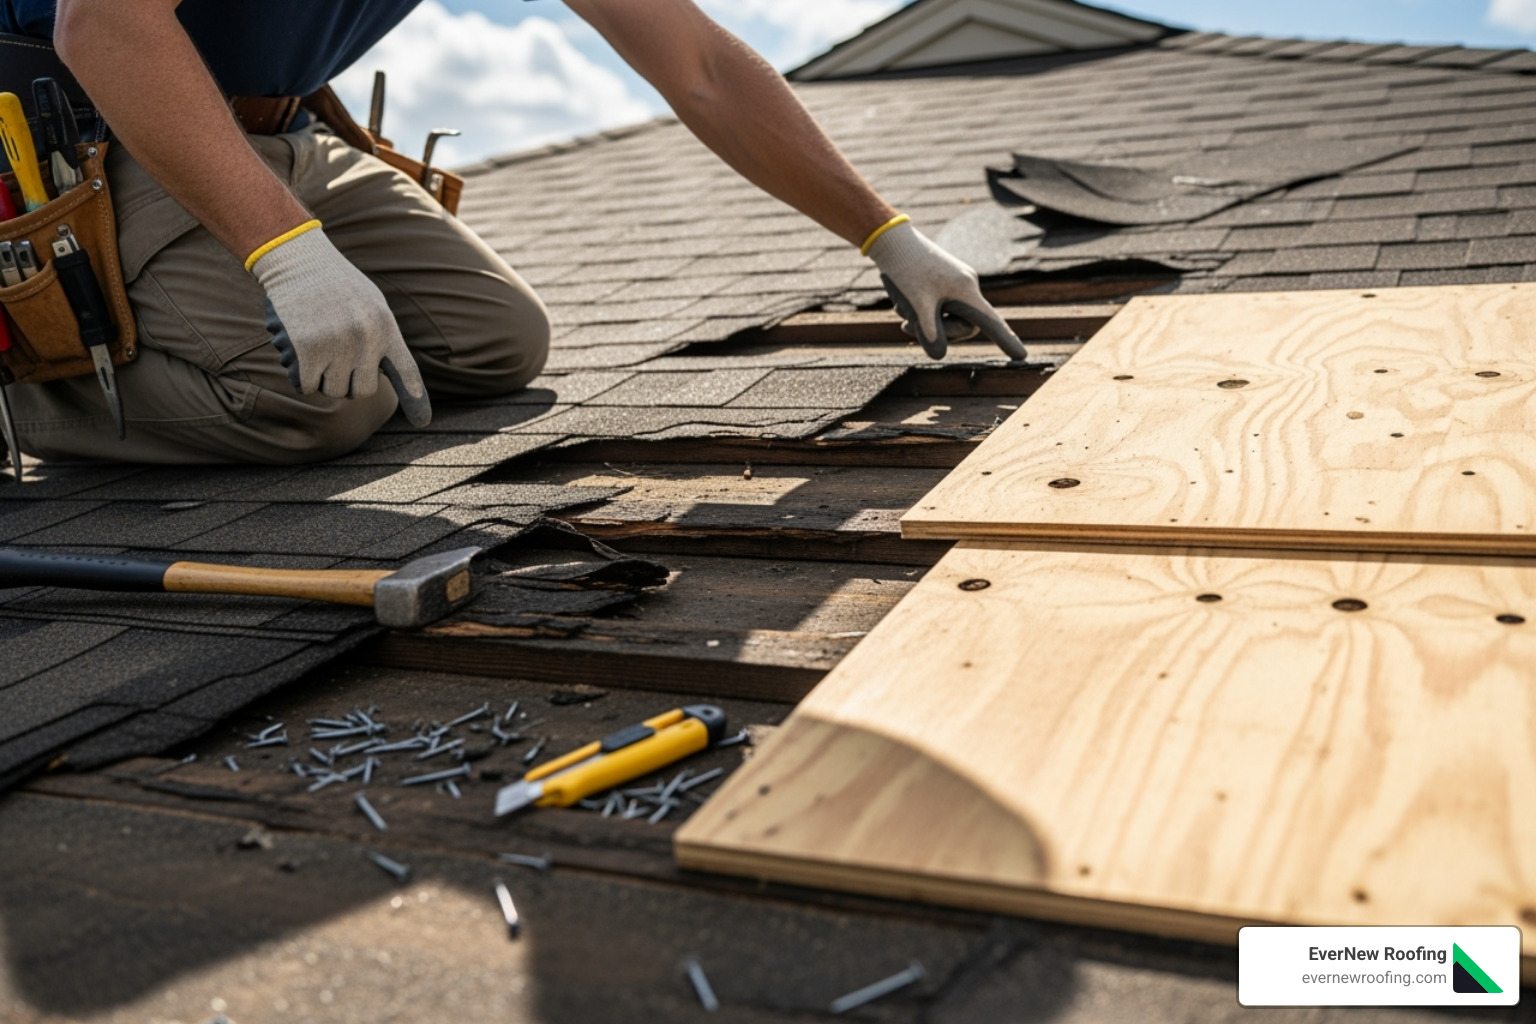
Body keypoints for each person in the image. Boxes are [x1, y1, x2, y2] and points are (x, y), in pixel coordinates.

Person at [4, 0, 1025, 464]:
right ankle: (27, 402)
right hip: (99, 145)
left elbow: (698, 64)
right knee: (311, 410)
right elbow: (106, 27)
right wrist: (289, 254)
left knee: (495, 341)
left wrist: (886, 235)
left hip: (283, 133)